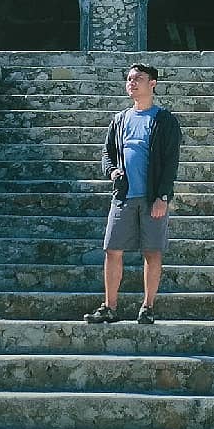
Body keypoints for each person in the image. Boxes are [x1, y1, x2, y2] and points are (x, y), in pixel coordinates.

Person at [84, 63, 182, 325]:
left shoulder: (164, 120)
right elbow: (107, 153)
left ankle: (148, 306)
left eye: (138, 78)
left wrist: (163, 196)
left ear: (153, 84)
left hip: (152, 197)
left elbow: (171, 160)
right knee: (112, 249)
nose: (132, 83)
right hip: (123, 196)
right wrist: (112, 172)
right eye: (129, 79)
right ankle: (109, 306)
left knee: (152, 251)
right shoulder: (120, 119)